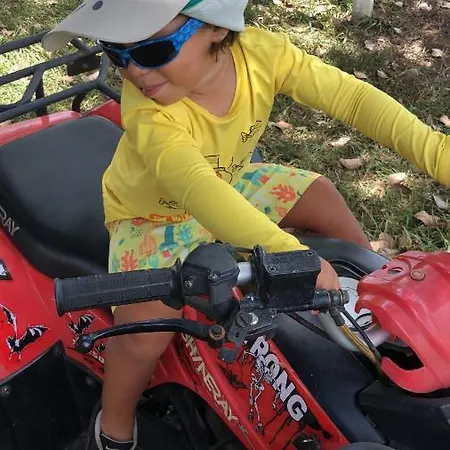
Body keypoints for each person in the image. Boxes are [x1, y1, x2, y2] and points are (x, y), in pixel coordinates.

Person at [42, 0, 449, 449]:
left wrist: (437, 153)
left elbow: (351, 97)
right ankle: (114, 427)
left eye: (153, 50)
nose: (133, 71)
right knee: (146, 330)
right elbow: (194, 186)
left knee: (319, 194)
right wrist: (287, 250)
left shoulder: (261, 54)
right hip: (156, 217)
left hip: (228, 183)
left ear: (217, 27)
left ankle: (365, 298)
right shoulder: (147, 108)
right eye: (116, 52)